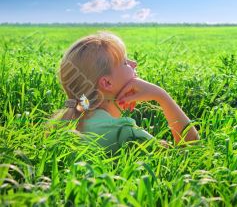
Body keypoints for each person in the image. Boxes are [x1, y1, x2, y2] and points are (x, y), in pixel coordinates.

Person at [54, 31, 200, 154]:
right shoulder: (123, 132)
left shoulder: (72, 121)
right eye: (125, 63)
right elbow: (190, 150)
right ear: (107, 83)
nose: (134, 63)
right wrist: (162, 96)